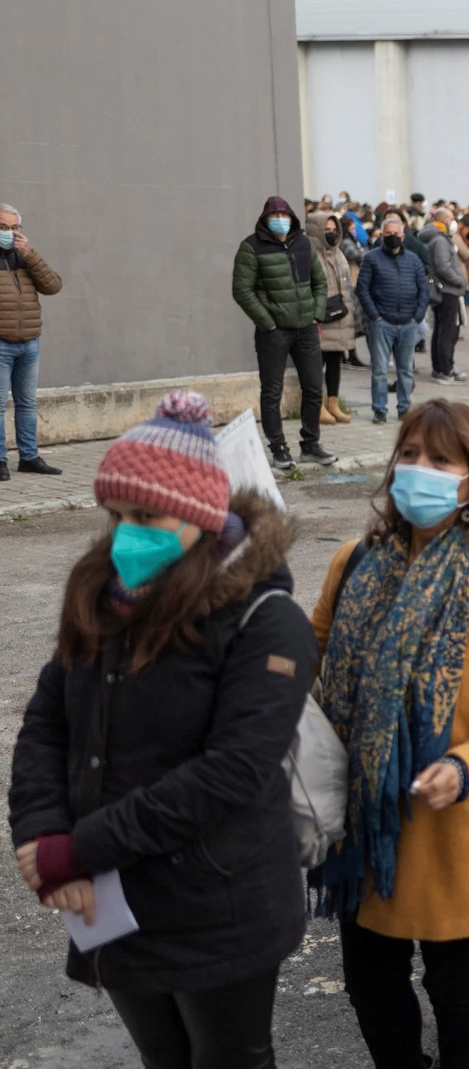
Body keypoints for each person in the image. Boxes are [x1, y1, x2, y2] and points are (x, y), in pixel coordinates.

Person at [9, 392, 313, 1069]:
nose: (125, 534)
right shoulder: (103, 592)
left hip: (217, 900)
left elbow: (231, 771)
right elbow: (47, 721)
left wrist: (80, 847)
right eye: (115, 514)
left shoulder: (265, 619)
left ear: (203, 518)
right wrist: (39, 830)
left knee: (229, 1059)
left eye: (146, 515)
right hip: (112, 895)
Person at [310, 399, 469, 1069]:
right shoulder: (355, 562)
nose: (421, 469)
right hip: (364, 821)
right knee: (371, 982)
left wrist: (464, 765)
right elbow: (308, 651)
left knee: (455, 985)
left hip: (452, 822)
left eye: (441, 459)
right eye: (410, 454)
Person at [232, 196, 334, 468]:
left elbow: (320, 282)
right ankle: (278, 448)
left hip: (306, 330)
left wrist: (316, 315)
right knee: (272, 391)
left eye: (284, 214)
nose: (280, 219)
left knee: (314, 388)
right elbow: (242, 290)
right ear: (265, 219)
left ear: (292, 218)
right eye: (274, 216)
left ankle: (311, 445)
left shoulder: (303, 243)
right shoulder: (251, 247)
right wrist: (268, 322)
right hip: (274, 333)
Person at [0, 202, 63, 480]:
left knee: (27, 403)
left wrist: (30, 254)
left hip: (29, 343)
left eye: (14, 228)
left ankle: (29, 457)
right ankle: (0, 461)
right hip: (1, 343)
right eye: (3, 227)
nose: (9, 233)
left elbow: (53, 286)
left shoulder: (25, 257)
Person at [354, 215, 432, 426]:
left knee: (405, 369)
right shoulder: (371, 258)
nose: (392, 238)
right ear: (381, 235)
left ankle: (404, 408)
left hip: (408, 322)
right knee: (379, 370)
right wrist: (374, 315)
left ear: (403, 235)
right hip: (382, 322)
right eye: (388, 234)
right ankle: (379, 409)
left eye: (396, 234)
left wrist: (417, 315)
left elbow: (424, 289)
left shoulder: (414, 260)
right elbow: (362, 288)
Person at [309, 211, 359, 426]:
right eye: (326, 230)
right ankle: (317, 406)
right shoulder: (310, 255)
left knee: (335, 362)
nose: (330, 234)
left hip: (340, 315)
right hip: (321, 318)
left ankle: (333, 403)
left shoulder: (338, 253)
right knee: (316, 365)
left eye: (333, 230)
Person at [420, 208, 469, 385]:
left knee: (444, 330)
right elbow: (443, 266)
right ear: (444, 220)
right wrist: (459, 281)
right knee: (446, 331)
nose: (454, 221)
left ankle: (444, 365)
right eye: (452, 218)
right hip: (447, 290)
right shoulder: (439, 239)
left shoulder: (439, 237)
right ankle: (443, 368)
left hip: (447, 289)